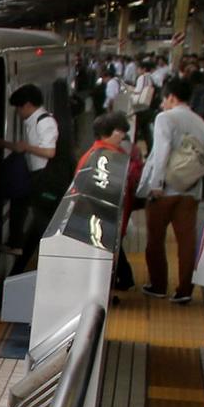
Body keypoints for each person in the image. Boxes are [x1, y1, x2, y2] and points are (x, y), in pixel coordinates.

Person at [136, 78, 204, 302]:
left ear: (171, 97)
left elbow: (161, 152)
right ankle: (185, 291)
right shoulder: (201, 122)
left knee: (156, 239)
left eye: (164, 99)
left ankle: (159, 286)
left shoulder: (165, 118)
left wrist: (156, 184)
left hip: (167, 189)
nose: (162, 104)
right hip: (191, 189)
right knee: (187, 241)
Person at [0, 84, 61, 261]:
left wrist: (26, 147)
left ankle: (49, 254)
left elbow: (50, 152)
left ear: (27, 105)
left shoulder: (45, 121)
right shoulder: (33, 121)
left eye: (19, 108)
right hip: (34, 173)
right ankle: (17, 245)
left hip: (43, 175)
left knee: (40, 214)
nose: (18, 112)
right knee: (20, 204)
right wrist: (6, 144)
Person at [85, 112, 140, 292]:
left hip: (111, 216)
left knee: (112, 247)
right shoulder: (104, 157)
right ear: (109, 133)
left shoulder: (106, 154)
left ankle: (117, 281)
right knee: (111, 247)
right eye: (119, 132)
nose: (123, 136)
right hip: (110, 216)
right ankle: (120, 280)